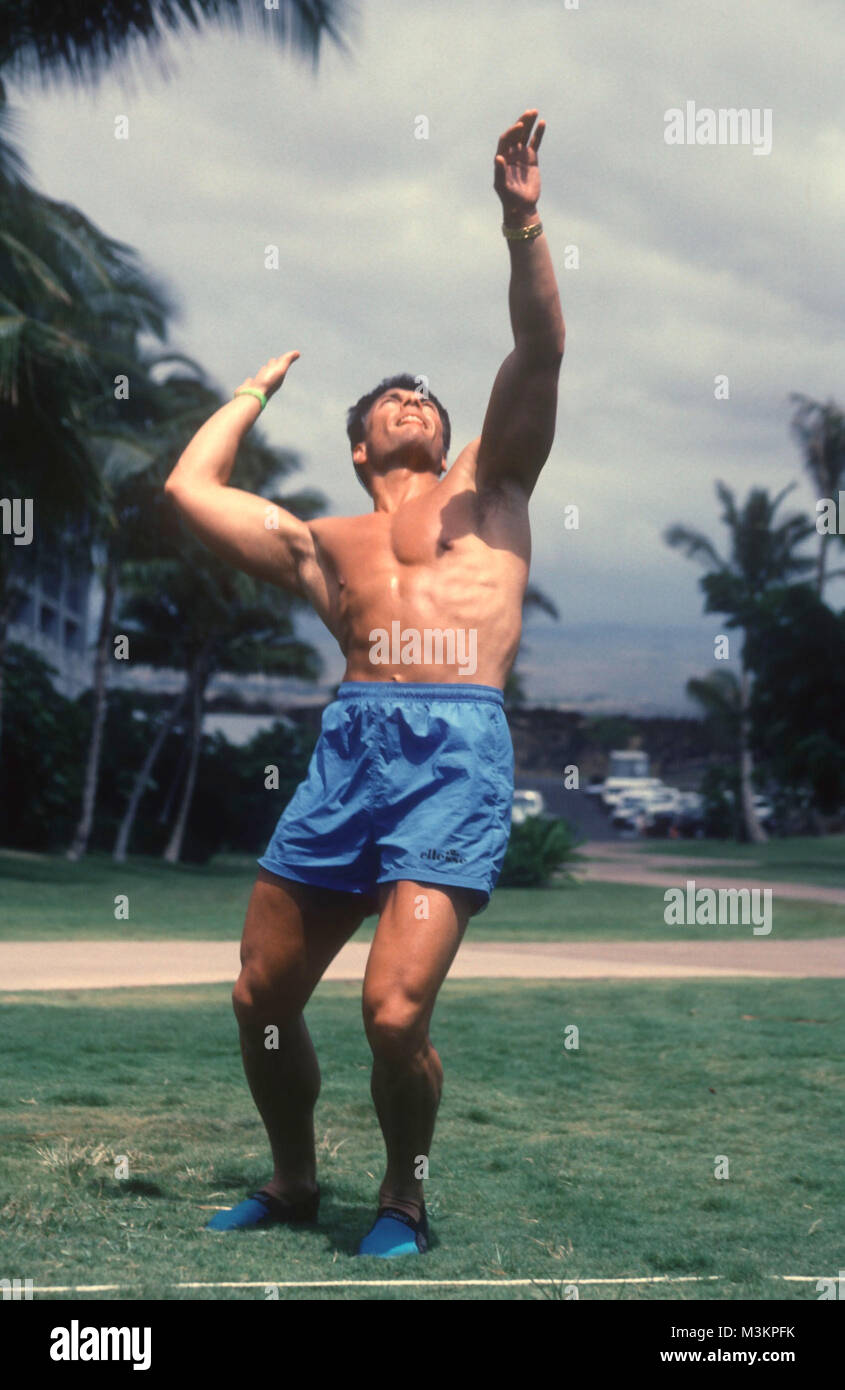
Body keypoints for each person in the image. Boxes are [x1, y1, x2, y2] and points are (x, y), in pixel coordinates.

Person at [164, 108, 565, 1257]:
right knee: (258, 997)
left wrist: (521, 220)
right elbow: (191, 493)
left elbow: (537, 351)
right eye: (388, 399)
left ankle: (402, 1195)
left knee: (393, 1011)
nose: (410, 400)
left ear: (445, 434)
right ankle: (292, 1182)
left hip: (455, 749)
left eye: (425, 398)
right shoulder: (321, 540)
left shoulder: (493, 490)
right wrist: (249, 388)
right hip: (350, 749)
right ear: (357, 443)